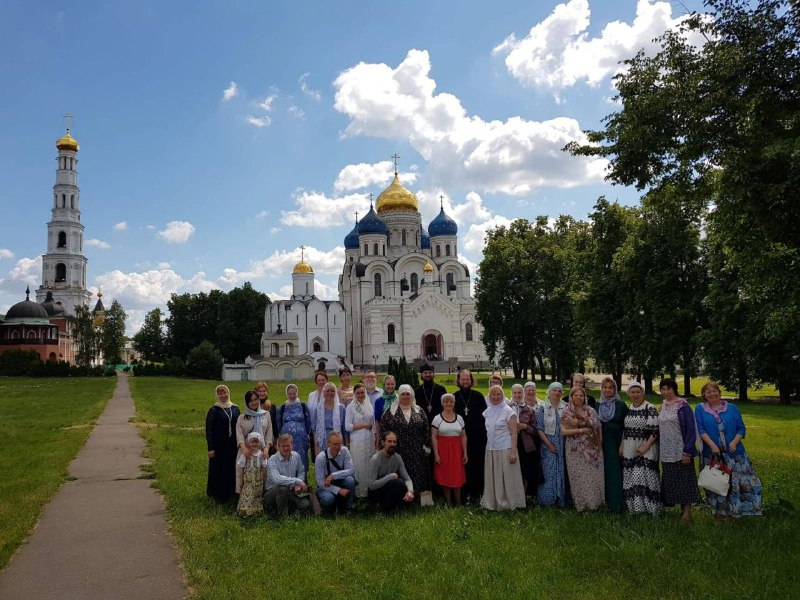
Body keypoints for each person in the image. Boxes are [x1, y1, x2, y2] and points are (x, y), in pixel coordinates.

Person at [695, 382, 762, 518]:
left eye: (715, 391)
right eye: (708, 392)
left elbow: (741, 428)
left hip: (735, 453)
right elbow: (700, 429)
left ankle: (738, 511)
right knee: (716, 484)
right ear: (704, 395)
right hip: (712, 455)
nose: (712, 394)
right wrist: (712, 445)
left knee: (741, 483)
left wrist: (735, 441)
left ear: (719, 393)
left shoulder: (732, 408)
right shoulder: (699, 409)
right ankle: (719, 514)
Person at [658, 377, 701, 522]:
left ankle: (687, 513)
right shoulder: (661, 406)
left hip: (681, 449)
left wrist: (687, 451)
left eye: (668, 388)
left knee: (685, 481)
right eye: (663, 389)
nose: (666, 392)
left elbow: (690, 429)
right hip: (666, 451)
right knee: (672, 481)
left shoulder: (683, 406)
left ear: (674, 389)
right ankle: (680, 510)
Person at [380, 384, 431, 497]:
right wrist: (385, 449)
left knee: (419, 474)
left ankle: (419, 499)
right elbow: (384, 431)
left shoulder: (419, 410)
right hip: (398, 451)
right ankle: (402, 499)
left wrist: (427, 448)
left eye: (408, 394)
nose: (405, 396)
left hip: (417, 451)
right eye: (403, 394)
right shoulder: (391, 412)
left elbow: (426, 430)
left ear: (411, 395)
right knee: (401, 475)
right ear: (399, 395)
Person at [620, 381, 662, 515]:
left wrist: (645, 447)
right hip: (629, 446)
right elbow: (625, 429)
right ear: (629, 394)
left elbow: (655, 431)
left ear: (642, 393)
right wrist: (622, 445)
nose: (635, 394)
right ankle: (635, 509)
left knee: (643, 477)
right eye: (632, 392)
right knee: (630, 478)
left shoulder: (649, 407)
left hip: (646, 447)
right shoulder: (630, 408)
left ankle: (652, 509)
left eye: (638, 392)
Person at [481, 385, 526, 510]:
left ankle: (510, 502)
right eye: (493, 394)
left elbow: (514, 433)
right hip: (491, 449)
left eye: (498, 394)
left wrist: (513, 452)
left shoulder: (508, 411)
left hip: (506, 448)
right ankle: (493, 501)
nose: (495, 397)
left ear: (502, 396)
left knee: (507, 476)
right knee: (494, 477)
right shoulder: (488, 411)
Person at [561, 386, 604, 512]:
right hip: (574, 449)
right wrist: (582, 429)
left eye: (581, 395)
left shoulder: (591, 410)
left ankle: (595, 504)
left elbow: (596, 426)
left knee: (593, 477)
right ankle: (582, 505)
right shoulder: (566, 412)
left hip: (592, 447)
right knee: (578, 478)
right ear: (571, 397)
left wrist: (582, 425)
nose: (579, 398)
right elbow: (563, 431)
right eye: (576, 395)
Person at [453, 369, 487, 503]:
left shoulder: (478, 396)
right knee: (464, 466)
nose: (465, 382)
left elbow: (486, 417)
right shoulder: (454, 397)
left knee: (478, 466)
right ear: (458, 381)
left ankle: (477, 494)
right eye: (463, 379)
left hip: (478, 438)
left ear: (471, 381)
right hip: (461, 438)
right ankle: (464, 494)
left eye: (467, 379)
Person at [597, 376, 628, 513]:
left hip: (615, 443)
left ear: (615, 389)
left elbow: (627, 427)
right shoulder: (597, 405)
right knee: (601, 472)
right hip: (599, 443)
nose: (607, 390)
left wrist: (622, 444)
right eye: (605, 387)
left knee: (614, 472)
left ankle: (616, 505)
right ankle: (602, 502)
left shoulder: (620, 405)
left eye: (610, 387)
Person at [205, 384, 240, 503]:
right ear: (217, 395)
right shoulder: (214, 410)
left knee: (231, 468)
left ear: (228, 393)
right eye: (220, 394)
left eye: (224, 393)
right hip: (219, 445)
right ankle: (218, 494)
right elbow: (209, 430)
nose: (223, 395)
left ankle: (231, 492)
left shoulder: (235, 408)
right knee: (218, 468)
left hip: (232, 445)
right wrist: (210, 448)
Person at [431, 393, 467, 506]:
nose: (448, 403)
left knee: (457, 476)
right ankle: (449, 501)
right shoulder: (437, 419)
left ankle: (458, 501)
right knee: (445, 475)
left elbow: (463, 436)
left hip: (457, 451)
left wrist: (465, 452)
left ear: (454, 403)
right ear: (442, 403)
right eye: (446, 401)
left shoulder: (460, 418)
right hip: (443, 451)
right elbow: (434, 437)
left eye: (451, 401)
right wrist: (436, 454)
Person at [365, 431, 415, 512]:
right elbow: (371, 485)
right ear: (383, 442)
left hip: (390, 488)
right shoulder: (376, 459)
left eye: (394, 442)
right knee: (398, 482)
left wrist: (410, 491)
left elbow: (407, 478)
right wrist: (389, 477)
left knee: (401, 484)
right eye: (389, 441)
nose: (392, 444)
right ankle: (387, 509)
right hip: (375, 491)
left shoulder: (398, 457)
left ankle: (392, 508)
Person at [264, 434, 312, 517]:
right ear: (277, 447)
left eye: (288, 445)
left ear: (292, 445)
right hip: (272, 494)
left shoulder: (296, 456)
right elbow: (277, 479)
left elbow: (301, 471)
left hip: (290, 492)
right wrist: (297, 481)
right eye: (283, 446)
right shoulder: (272, 459)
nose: (286, 448)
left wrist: (298, 485)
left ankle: (288, 513)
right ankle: (282, 518)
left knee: (306, 504)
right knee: (283, 488)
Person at [235, 390, 273, 493]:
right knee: (244, 473)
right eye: (251, 401)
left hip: (261, 451)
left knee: (262, 473)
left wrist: (267, 449)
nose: (254, 402)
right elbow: (239, 436)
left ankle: (262, 496)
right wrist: (244, 450)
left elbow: (269, 434)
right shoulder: (241, 418)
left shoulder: (266, 415)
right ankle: (243, 498)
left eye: (256, 399)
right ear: (247, 403)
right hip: (246, 451)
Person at [537, 382, 567, 506]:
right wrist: (549, 445)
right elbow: (539, 428)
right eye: (554, 390)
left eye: (559, 391)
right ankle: (547, 499)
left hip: (563, 442)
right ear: (549, 392)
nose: (557, 393)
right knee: (548, 471)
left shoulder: (566, 407)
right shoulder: (543, 408)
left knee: (561, 470)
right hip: (547, 443)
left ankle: (559, 498)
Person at [314, 432, 357, 515]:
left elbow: (351, 470)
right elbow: (320, 483)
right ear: (328, 443)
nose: (337, 447)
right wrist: (338, 490)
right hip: (326, 487)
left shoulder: (345, 451)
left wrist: (333, 476)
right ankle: (329, 509)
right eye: (334, 444)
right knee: (328, 499)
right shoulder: (320, 458)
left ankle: (348, 508)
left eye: (339, 444)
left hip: (340, 482)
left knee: (350, 480)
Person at [345, 383, 375, 497]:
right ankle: (359, 493)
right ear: (354, 394)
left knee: (369, 465)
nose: (361, 395)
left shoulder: (369, 405)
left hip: (369, 440)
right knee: (359, 466)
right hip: (357, 441)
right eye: (358, 393)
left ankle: (369, 491)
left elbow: (372, 423)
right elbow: (347, 426)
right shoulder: (351, 407)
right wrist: (363, 425)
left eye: (363, 392)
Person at [277, 384, 313, 475]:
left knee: (301, 459)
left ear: (297, 393)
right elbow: (279, 423)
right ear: (287, 394)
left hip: (301, 440)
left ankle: (302, 484)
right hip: (286, 441)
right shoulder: (282, 408)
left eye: (294, 393)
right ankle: (289, 484)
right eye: (290, 394)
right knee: (288, 459)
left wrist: (307, 435)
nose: (292, 396)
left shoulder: (303, 406)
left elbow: (308, 421)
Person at [510, 384, 538, 495]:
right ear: (511, 394)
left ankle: (524, 496)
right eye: (515, 393)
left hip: (525, 444)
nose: (517, 395)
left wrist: (525, 427)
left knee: (525, 470)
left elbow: (535, 430)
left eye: (519, 393)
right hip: (510, 443)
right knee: (512, 469)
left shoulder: (529, 410)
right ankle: (513, 494)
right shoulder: (506, 408)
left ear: (523, 394)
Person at [236, 431, 267, 517]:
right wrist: (241, 481)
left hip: (258, 481)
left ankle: (255, 513)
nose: (254, 444)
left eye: (256, 442)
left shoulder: (262, 455)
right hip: (248, 481)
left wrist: (264, 480)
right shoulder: (246, 455)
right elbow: (241, 469)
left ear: (259, 443)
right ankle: (245, 512)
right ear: (248, 443)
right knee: (247, 495)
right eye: (252, 442)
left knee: (257, 495)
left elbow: (264, 468)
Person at [313, 381, 346, 456]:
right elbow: (315, 429)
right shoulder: (318, 409)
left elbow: (344, 429)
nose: (330, 393)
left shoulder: (341, 408)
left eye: (332, 391)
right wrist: (316, 444)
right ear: (323, 393)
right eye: (327, 391)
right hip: (323, 440)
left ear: (335, 393)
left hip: (337, 440)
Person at [520, 381, 543, 495]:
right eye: (528, 390)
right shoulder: (518, 404)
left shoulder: (541, 405)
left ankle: (534, 492)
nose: (531, 392)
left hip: (538, 439)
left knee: (535, 466)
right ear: (524, 392)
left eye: (533, 390)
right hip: (523, 441)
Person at [373, 374, 398, 445]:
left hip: (399, 433)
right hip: (385, 436)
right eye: (388, 384)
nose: (390, 386)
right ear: (384, 385)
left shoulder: (399, 399)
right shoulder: (379, 401)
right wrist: (378, 438)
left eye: (392, 384)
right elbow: (378, 422)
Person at [255, 381, 278, 455]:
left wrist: (275, 441)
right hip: (256, 440)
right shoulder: (253, 406)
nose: (262, 393)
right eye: (260, 391)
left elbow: (274, 424)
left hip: (268, 440)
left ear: (267, 392)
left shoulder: (272, 407)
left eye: (264, 391)